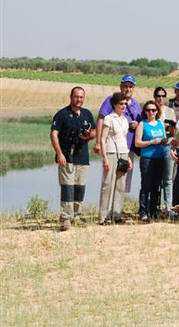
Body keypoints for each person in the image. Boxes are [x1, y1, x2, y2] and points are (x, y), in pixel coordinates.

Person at [50, 87, 96, 230]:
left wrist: (88, 136)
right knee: (67, 188)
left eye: (81, 97)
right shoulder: (62, 114)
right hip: (67, 156)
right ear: (70, 96)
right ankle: (65, 218)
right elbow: (53, 134)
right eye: (76, 97)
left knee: (79, 188)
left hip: (83, 157)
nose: (79, 100)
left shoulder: (87, 114)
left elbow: (94, 131)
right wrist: (59, 154)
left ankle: (76, 216)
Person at [94, 74, 142, 193]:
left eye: (131, 86)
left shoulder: (136, 105)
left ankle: (118, 207)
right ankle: (107, 208)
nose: (128, 89)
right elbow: (101, 119)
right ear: (121, 86)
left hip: (128, 147)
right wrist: (98, 142)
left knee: (124, 179)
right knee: (109, 178)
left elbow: (142, 122)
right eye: (125, 86)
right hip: (111, 147)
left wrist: (137, 125)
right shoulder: (111, 100)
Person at [98, 92, 132, 225]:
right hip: (111, 152)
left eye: (125, 104)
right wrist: (104, 157)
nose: (123, 106)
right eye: (121, 104)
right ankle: (103, 216)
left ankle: (116, 214)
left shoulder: (125, 120)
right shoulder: (108, 118)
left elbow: (124, 139)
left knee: (120, 185)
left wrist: (128, 157)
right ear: (114, 105)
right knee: (107, 184)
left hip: (123, 153)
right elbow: (102, 138)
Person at [135, 100, 167, 221]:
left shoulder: (160, 123)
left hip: (160, 157)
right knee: (146, 186)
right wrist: (151, 142)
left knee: (156, 186)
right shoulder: (142, 124)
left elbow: (164, 137)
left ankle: (154, 211)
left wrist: (164, 141)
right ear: (145, 111)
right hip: (147, 158)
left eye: (153, 110)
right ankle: (143, 212)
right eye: (148, 110)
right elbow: (137, 143)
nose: (151, 112)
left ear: (157, 111)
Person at [154, 87, 177, 212]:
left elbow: (175, 131)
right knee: (155, 178)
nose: (160, 98)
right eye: (158, 95)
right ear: (154, 97)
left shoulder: (170, 111)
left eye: (163, 96)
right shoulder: (151, 110)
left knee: (168, 179)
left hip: (168, 146)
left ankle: (168, 206)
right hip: (154, 148)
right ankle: (155, 206)